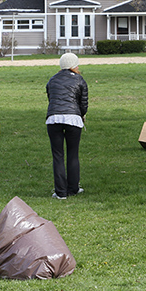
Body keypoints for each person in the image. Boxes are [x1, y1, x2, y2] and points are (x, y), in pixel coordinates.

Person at [46, 52, 88, 199]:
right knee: (73, 154)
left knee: (58, 156)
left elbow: (51, 97)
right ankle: (73, 188)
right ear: (74, 65)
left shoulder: (52, 80)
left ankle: (60, 192)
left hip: (53, 118)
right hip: (73, 119)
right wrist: (82, 115)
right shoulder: (79, 80)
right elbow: (83, 102)